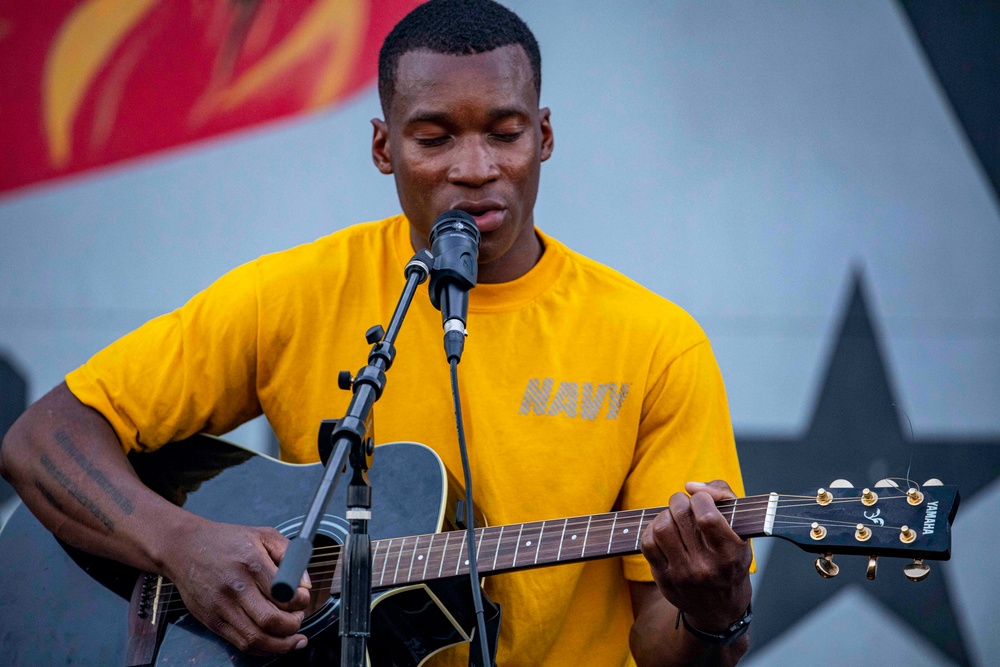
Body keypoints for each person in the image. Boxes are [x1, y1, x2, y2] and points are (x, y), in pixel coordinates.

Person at [0, 1, 753, 665]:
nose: (474, 166)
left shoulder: (656, 343)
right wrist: (182, 547)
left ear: (545, 135)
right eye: (433, 138)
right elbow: (41, 438)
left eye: (505, 132)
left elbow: (671, 651)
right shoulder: (294, 292)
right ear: (383, 146)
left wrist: (714, 613)